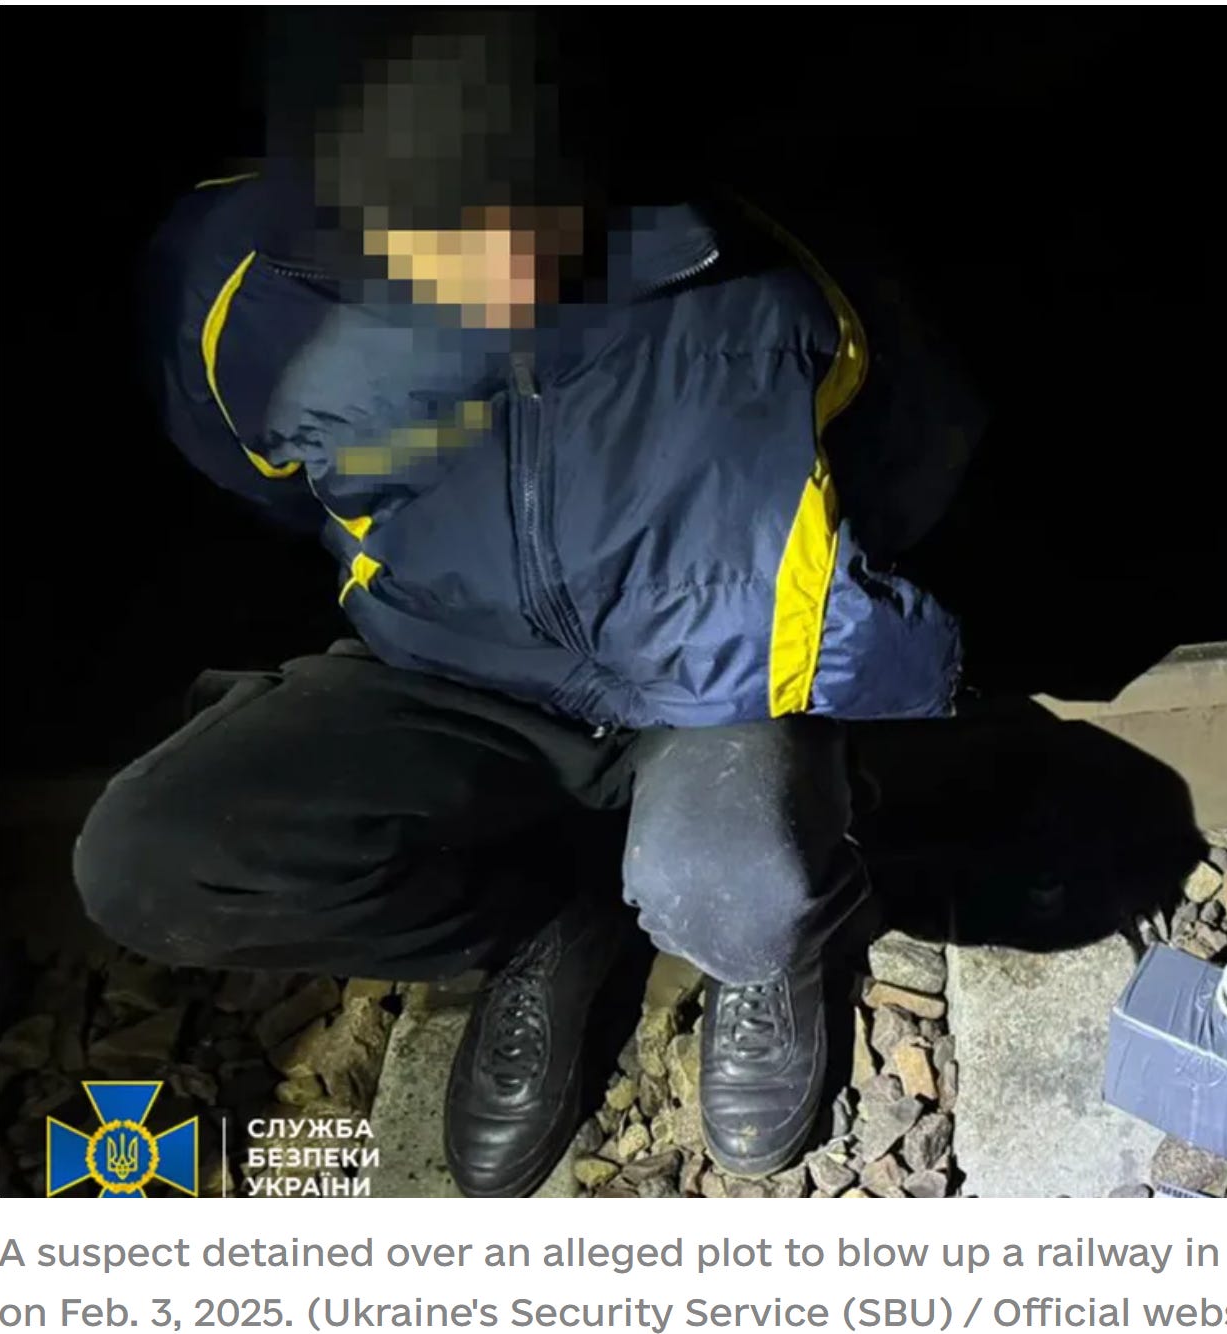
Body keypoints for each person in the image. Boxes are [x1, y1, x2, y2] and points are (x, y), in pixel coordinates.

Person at [72, 14, 980, 1195]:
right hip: (446, 673)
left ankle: (772, 943)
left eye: (526, 208)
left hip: (704, 692)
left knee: (734, 884)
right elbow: (267, 481)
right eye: (435, 230)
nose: (501, 274)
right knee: (147, 860)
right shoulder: (233, 288)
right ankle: (541, 920)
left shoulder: (766, 258)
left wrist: (795, 651)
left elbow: (912, 461)